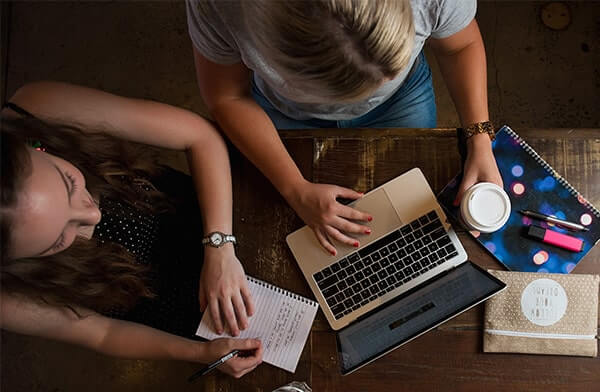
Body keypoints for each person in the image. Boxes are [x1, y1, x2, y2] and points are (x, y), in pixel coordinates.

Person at [186, 0, 503, 256]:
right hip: (279, 113)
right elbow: (228, 95)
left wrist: (480, 138)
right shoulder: (221, 7)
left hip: (400, 102)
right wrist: (294, 189)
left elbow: (461, 46)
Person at [0, 81, 262, 378]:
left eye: (70, 184)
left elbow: (199, 136)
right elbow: (104, 333)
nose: (94, 214)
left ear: (30, 145)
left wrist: (219, 245)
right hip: (168, 304)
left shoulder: (36, 107)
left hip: (212, 212)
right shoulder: (6, 297)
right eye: (60, 239)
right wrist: (200, 353)